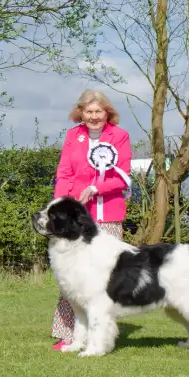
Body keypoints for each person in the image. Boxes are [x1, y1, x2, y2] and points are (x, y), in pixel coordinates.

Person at [48, 90, 133, 351]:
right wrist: (62, 203)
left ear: (107, 112)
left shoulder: (120, 136)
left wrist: (97, 189)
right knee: (70, 275)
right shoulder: (73, 136)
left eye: (98, 111)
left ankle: (101, 332)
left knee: (104, 279)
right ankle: (69, 334)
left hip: (107, 214)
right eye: (88, 111)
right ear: (80, 113)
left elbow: (123, 177)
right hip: (75, 219)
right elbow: (64, 172)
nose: (94, 117)